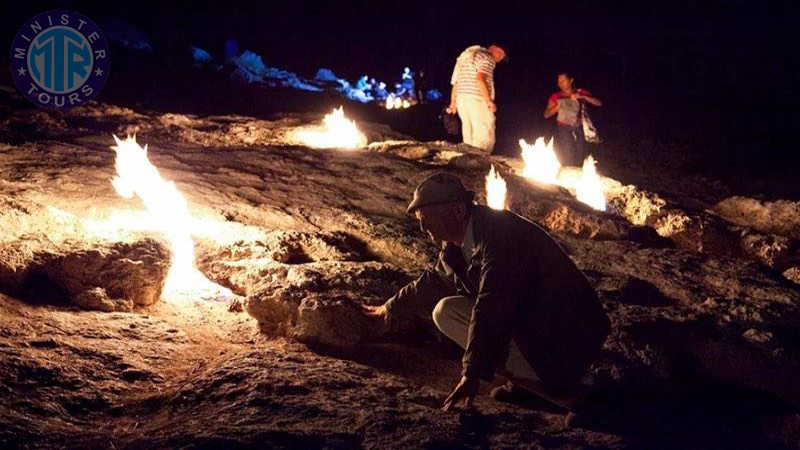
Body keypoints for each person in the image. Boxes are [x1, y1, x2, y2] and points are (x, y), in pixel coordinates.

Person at [363, 172, 610, 424]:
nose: (423, 227)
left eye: (427, 219)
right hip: (536, 318)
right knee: (447, 310)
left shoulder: (500, 238)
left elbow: (492, 306)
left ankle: (578, 396)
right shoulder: (460, 241)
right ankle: (532, 387)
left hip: (568, 328)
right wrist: (391, 307)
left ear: (458, 210)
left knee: (463, 316)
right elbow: (436, 280)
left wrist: (472, 374)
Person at [447, 44, 508, 152]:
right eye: (502, 54)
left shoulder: (467, 57)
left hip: (462, 99)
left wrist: (453, 103)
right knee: (484, 134)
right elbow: (480, 79)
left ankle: (467, 162)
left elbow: (456, 81)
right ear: (494, 48)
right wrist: (489, 101)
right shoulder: (488, 58)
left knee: (468, 132)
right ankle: (480, 163)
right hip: (477, 99)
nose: (500, 59)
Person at [544, 73, 602, 166]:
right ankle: (568, 173)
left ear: (570, 80)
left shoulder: (580, 92)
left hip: (579, 127)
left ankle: (578, 173)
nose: (560, 83)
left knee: (580, 155)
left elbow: (598, 103)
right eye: (558, 81)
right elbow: (546, 114)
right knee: (568, 154)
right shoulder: (556, 96)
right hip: (563, 127)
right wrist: (558, 107)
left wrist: (583, 97)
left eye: (563, 80)